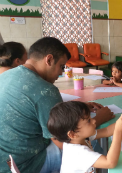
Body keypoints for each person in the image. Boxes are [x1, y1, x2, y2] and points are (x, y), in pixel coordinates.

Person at [0, 37, 114, 173]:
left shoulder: (6, 75)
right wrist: (98, 119)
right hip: (28, 164)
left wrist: (77, 107)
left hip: (6, 161)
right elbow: (63, 140)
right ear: (48, 60)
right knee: (88, 141)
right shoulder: (45, 90)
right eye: (61, 66)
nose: (61, 72)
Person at [47, 101, 122, 173]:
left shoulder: (79, 138)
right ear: (72, 134)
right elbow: (110, 162)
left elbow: (107, 131)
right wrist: (118, 130)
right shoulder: (78, 153)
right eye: (88, 121)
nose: (94, 121)